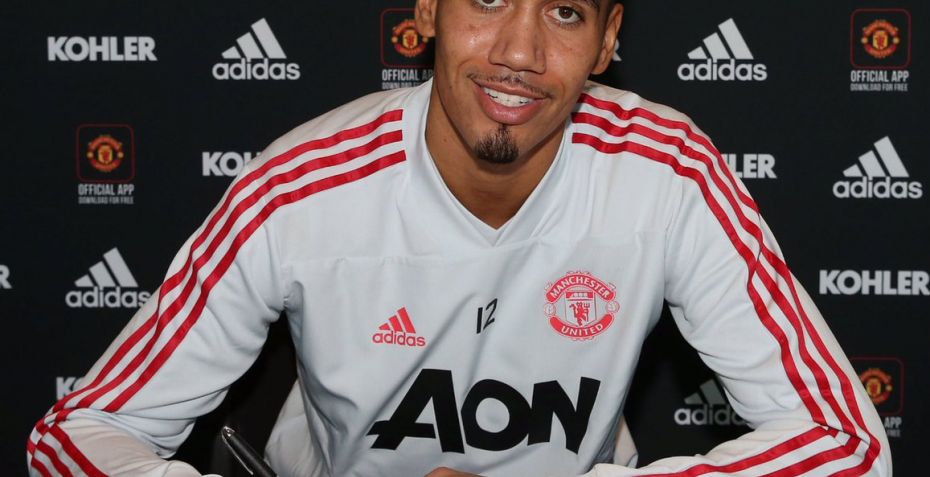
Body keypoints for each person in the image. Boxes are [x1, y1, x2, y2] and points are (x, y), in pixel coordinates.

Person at [28, 0, 891, 476]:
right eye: (486, 0)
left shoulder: (665, 170)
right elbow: (79, 433)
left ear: (607, 40)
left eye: (563, 12)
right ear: (427, 10)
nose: (518, 50)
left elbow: (847, 442)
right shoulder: (299, 187)